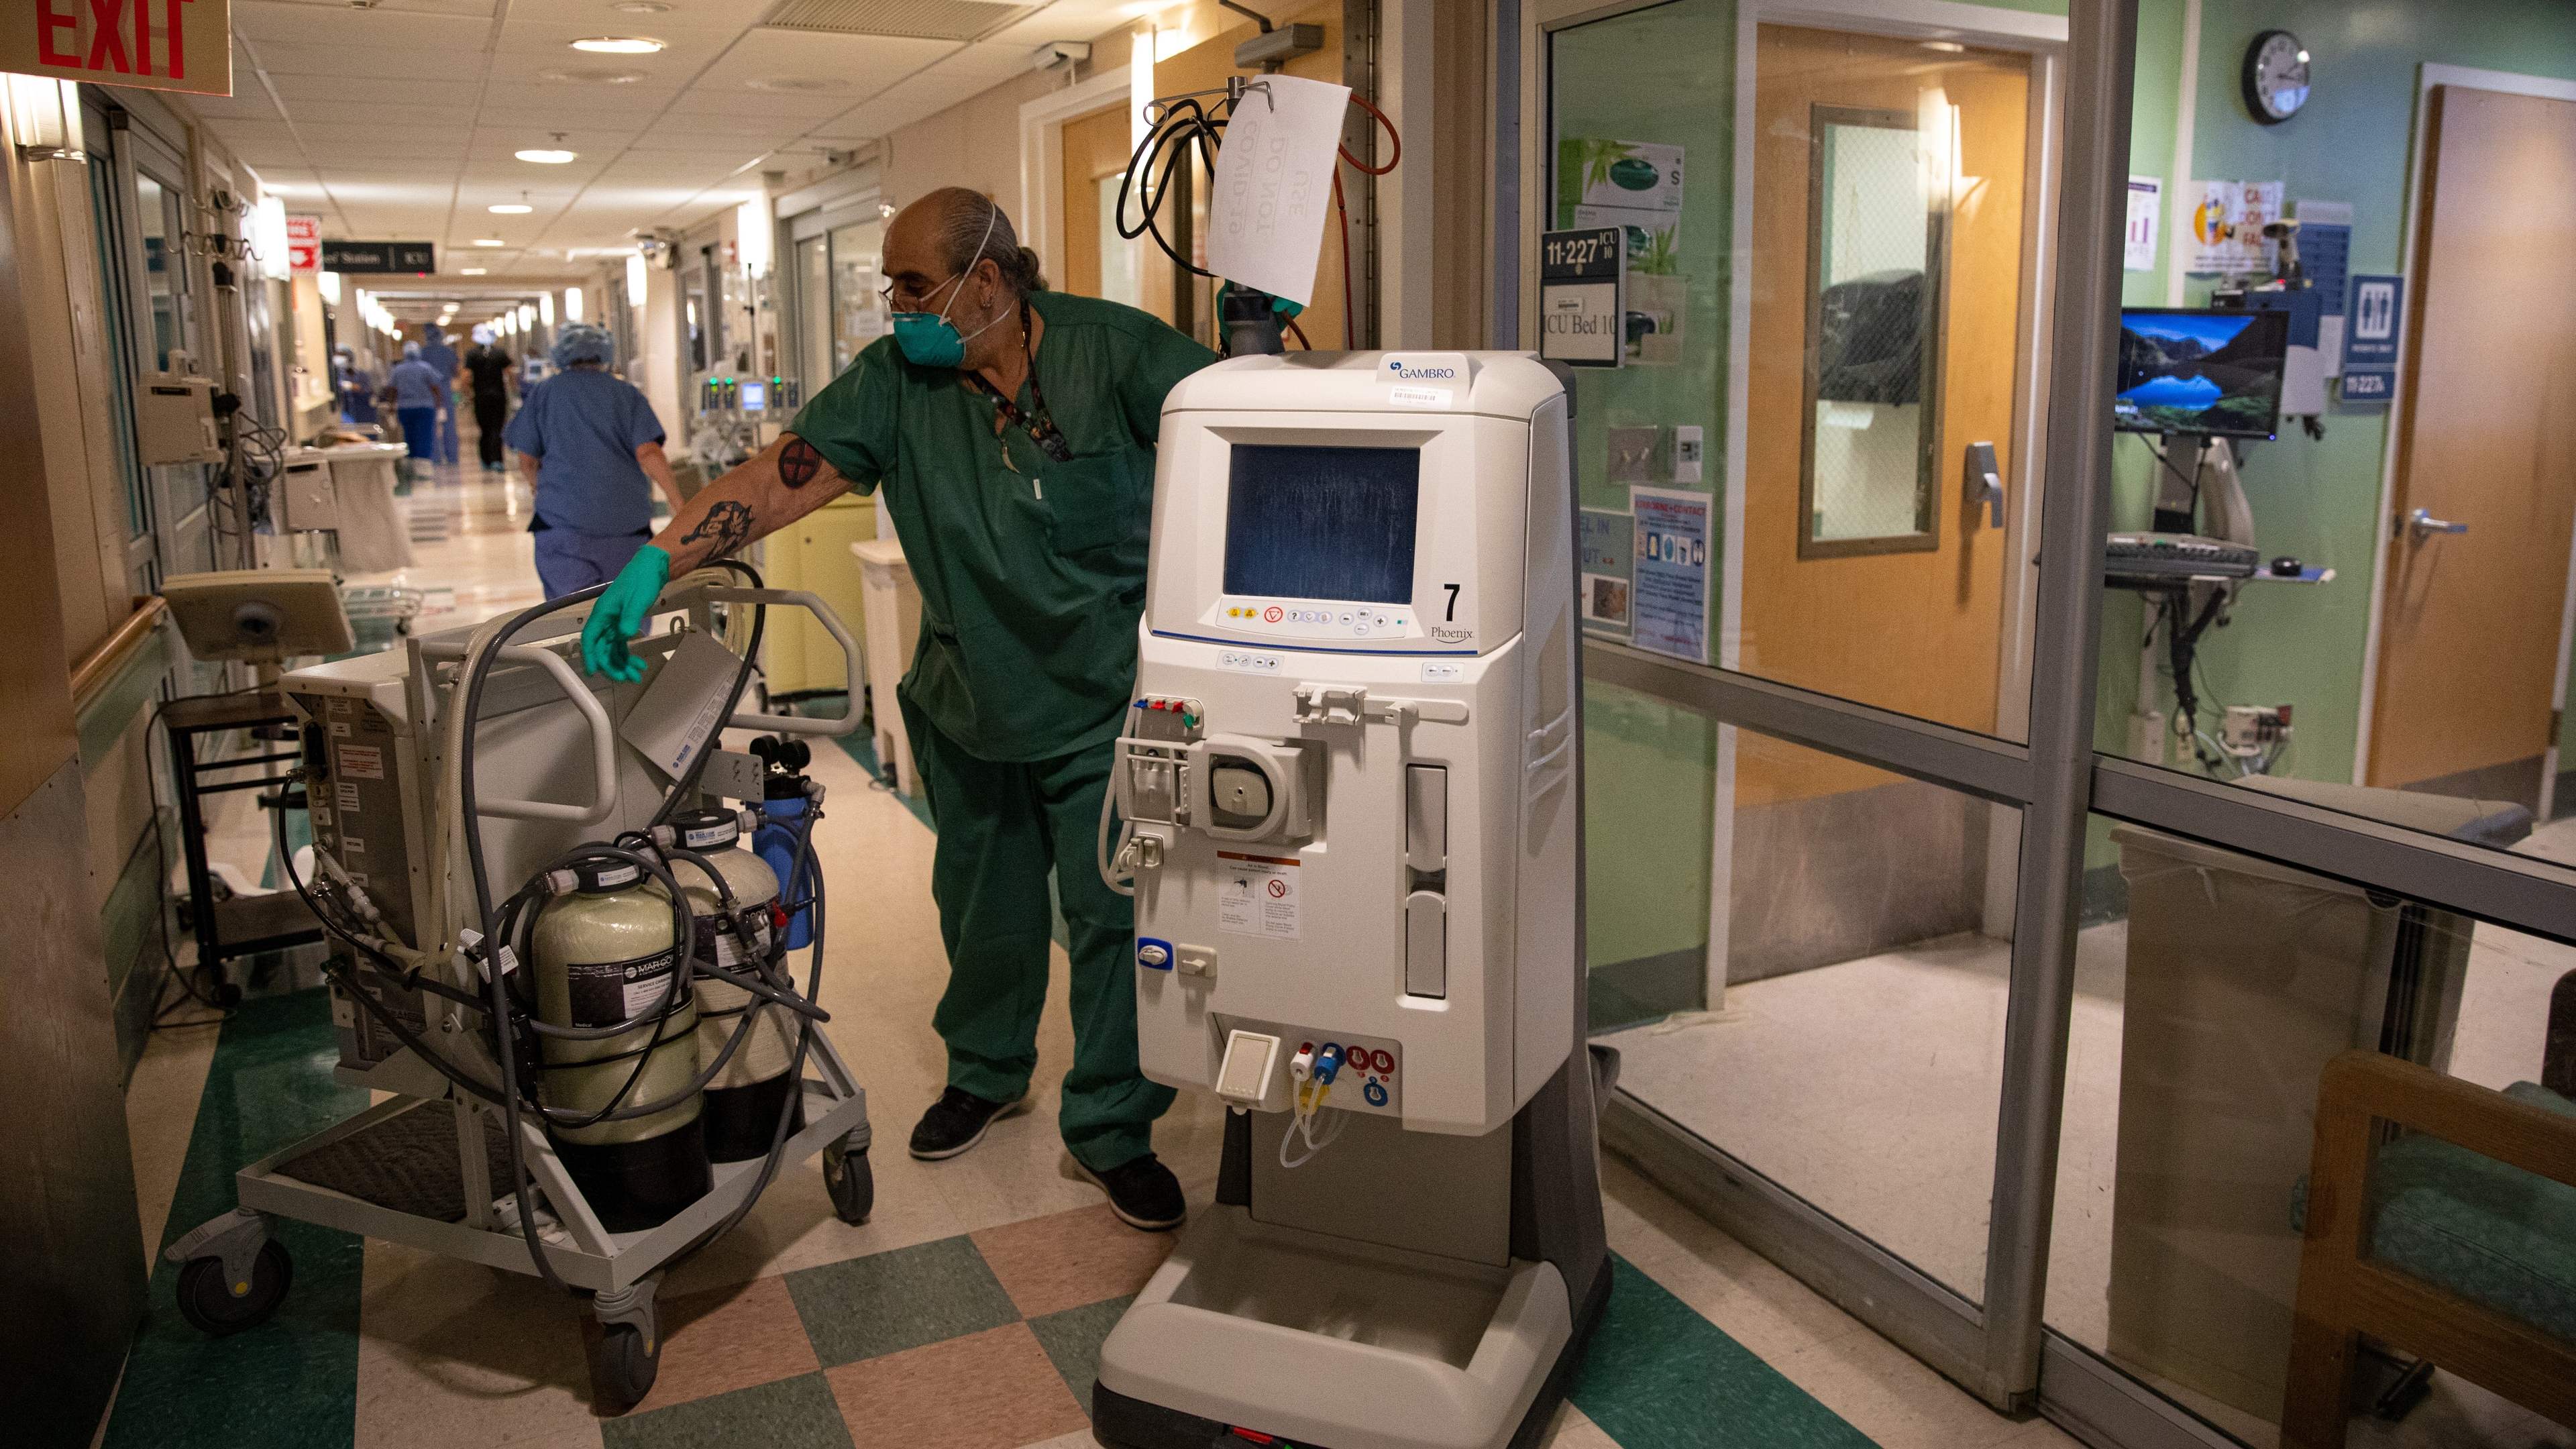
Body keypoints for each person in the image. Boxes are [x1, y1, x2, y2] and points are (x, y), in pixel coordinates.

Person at [578, 189, 1216, 1231]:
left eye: (915, 285)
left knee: (1114, 920)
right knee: (984, 908)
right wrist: (661, 556)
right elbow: (778, 479)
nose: (896, 304)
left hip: (1109, 700)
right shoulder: (895, 384)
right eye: (892, 284)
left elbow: (1245, 437)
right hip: (971, 695)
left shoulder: (1122, 355)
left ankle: (1112, 1127)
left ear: (991, 283)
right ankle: (989, 1070)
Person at [504, 323, 686, 599]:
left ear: (559, 353)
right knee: (624, 615)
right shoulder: (626, 394)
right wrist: (680, 505)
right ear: (604, 352)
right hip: (625, 526)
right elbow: (649, 453)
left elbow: (527, 458)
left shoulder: (545, 393)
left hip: (563, 523)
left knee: (575, 615)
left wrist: (537, 486)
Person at [386, 341, 445, 479]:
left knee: (409, 436)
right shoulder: (426, 368)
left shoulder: (398, 370)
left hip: (405, 408)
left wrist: (391, 408)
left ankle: (411, 466)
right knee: (424, 435)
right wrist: (439, 406)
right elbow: (435, 388)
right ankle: (422, 467)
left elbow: (392, 391)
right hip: (425, 408)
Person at [463, 325, 516, 472]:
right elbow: (510, 373)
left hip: (480, 397)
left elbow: (466, 376)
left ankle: (485, 460)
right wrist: (515, 390)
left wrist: (466, 395)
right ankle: (497, 460)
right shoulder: (500, 353)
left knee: (484, 429)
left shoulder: (472, 354)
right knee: (496, 429)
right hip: (498, 397)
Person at [418, 321, 462, 466]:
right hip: (445, 391)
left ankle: (435, 457)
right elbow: (456, 371)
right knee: (449, 425)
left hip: (428, 391)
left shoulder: (422, 353)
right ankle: (452, 457)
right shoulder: (447, 352)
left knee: (431, 426)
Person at [333, 345, 376, 427]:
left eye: (343, 355)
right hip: (345, 413)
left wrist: (351, 386)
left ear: (350, 357)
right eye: (339, 355)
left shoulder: (361, 375)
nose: (341, 358)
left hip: (362, 414)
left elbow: (366, 390)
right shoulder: (335, 376)